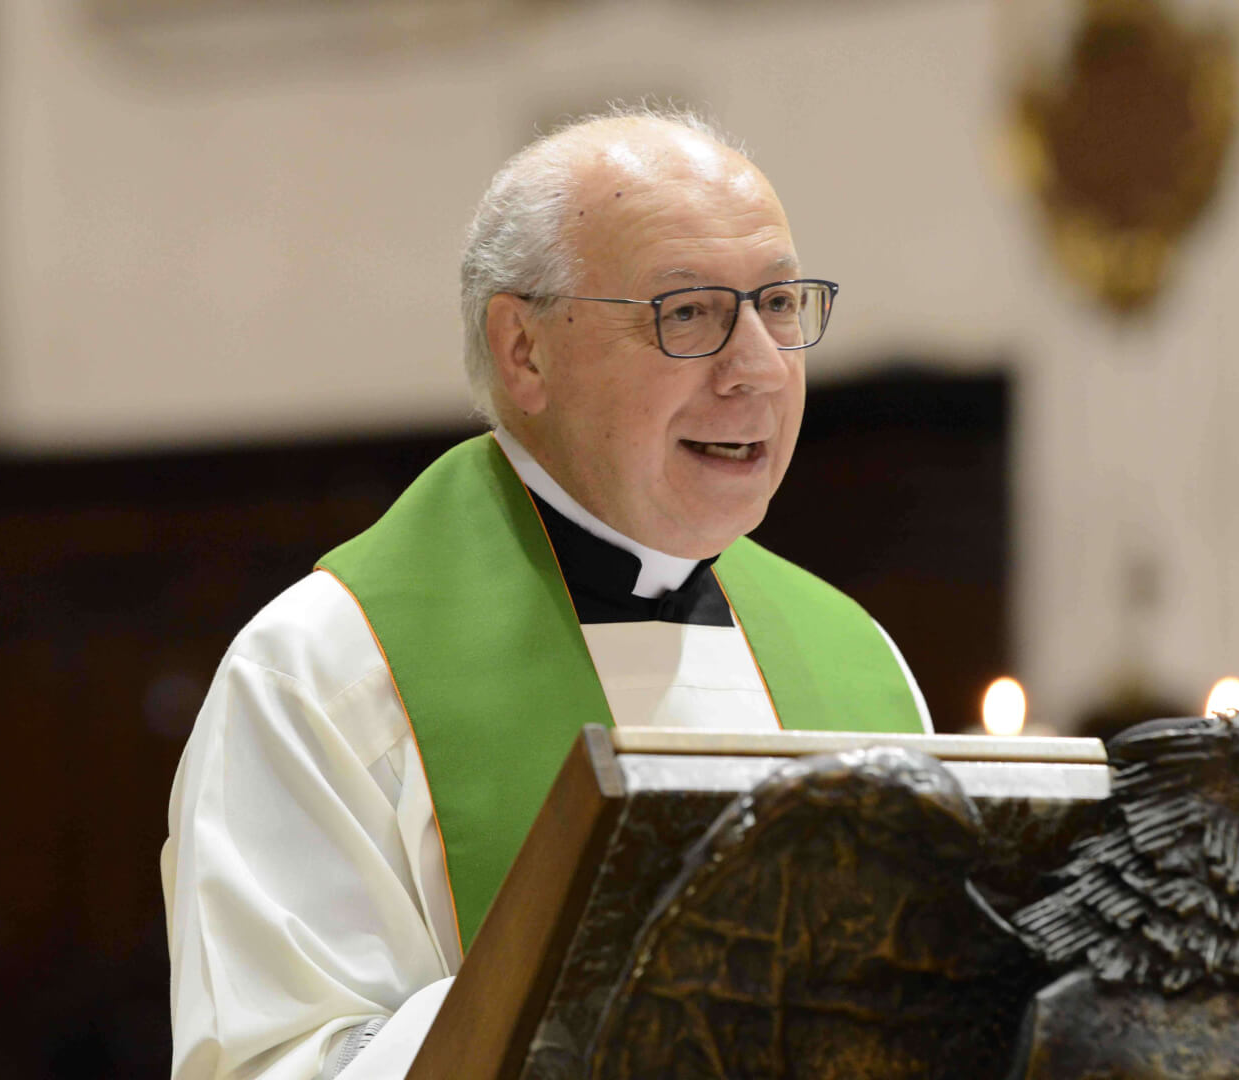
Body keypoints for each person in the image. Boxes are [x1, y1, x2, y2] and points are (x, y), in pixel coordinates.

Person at [162, 106, 932, 1080]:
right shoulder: (323, 672)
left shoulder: (857, 656)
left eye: (777, 304)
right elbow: (273, 1064)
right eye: (688, 312)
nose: (758, 369)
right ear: (524, 350)